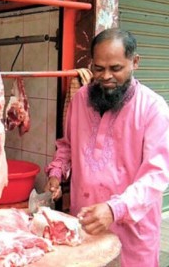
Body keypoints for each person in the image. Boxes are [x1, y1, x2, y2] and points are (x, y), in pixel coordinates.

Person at [44, 28, 169, 267]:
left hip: (132, 233)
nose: (106, 77)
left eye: (116, 68)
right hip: (85, 224)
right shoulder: (81, 98)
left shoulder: (153, 109)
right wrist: (56, 173)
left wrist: (115, 209)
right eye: (99, 69)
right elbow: (67, 145)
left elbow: (156, 176)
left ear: (135, 62)